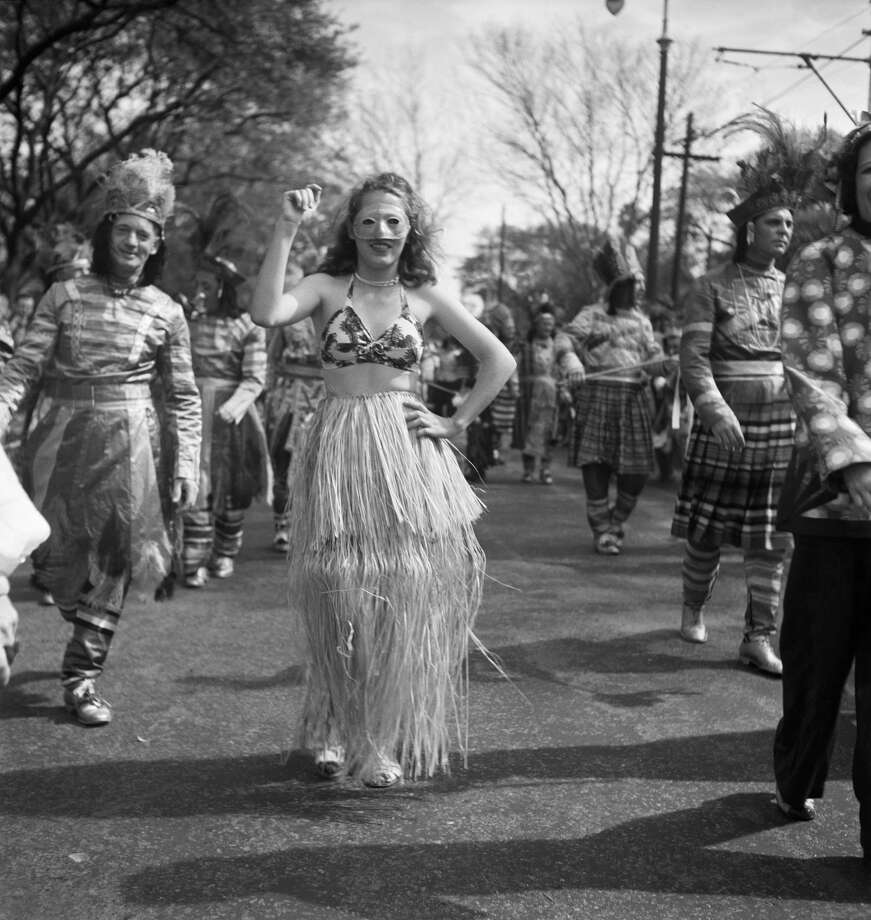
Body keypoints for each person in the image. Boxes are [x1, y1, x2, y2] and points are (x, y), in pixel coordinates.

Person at [251, 172, 515, 787]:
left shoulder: (423, 294)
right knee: (339, 592)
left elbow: (499, 358)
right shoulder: (324, 287)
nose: (381, 230)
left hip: (405, 456)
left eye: (394, 220)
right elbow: (265, 312)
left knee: (397, 597)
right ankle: (337, 721)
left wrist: (456, 421)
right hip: (341, 451)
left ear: (410, 229)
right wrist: (286, 226)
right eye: (368, 219)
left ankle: (378, 740)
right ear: (352, 228)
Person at [0, 149, 201, 726]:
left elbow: (184, 395)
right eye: (125, 230)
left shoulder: (167, 310)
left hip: (132, 446)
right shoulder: (62, 295)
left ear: (157, 244)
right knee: (53, 561)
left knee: (113, 561)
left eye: (146, 235)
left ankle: (82, 678)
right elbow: (23, 368)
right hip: (58, 441)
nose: (134, 243)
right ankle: (75, 614)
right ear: (107, 230)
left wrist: (187, 462)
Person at [772, 121, 871, 862]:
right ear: (849, 183)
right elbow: (813, 372)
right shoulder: (821, 261)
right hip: (840, 499)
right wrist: (854, 463)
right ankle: (798, 770)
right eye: (868, 171)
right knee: (815, 656)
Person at [670, 159, 805, 676]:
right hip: (722, 421)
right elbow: (693, 358)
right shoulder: (711, 286)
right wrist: (713, 408)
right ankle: (693, 606)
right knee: (707, 531)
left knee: (771, 537)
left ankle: (758, 636)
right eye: (776, 223)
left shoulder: (794, 288)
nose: (785, 232)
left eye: (790, 224)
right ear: (750, 230)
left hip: (778, 424)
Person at [565, 236, 671, 555]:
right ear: (618, 286)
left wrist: (664, 364)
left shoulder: (642, 321)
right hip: (598, 395)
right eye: (634, 282)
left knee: (636, 470)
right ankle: (602, 530)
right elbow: (566, 340)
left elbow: (653, 357)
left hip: (633, 398)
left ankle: (618, 521)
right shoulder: (592, 314)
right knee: (595, 463)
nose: (639, 288)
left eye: (640, 283)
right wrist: (571, 361)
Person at [181, 253, 269, 586]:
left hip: (233, 418)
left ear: (222, 287)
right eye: (197, 284)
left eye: (207, 285)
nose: (200, 291)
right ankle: (193, 560)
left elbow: (255, 378)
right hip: (191, 413)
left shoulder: (247, 325)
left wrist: (231, 408)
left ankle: (224, 553)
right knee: (193, 482)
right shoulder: (187, 321)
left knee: (231, 487)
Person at [263, 317, 325, 552]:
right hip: (290, 397)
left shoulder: (344, 310)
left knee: (323, 464)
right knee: (283, 460)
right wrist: (269, 398)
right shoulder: (289, 318)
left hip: (326, 395)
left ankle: (318, 528)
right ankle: (283, 525)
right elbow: (272, 359)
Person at [515, 305, 584, 484]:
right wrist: (515, 387)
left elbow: (563, 371)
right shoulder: (525, 346)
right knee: (528, 432)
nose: (547, 327)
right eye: (544, 323)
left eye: (550, 324)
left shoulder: (559, 348)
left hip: (552, 396)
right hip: (530, 395)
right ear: (536, 325)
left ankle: (545, 469)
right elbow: (514, 368)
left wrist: (565, 390)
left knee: (550, 433)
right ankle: (528, 470)